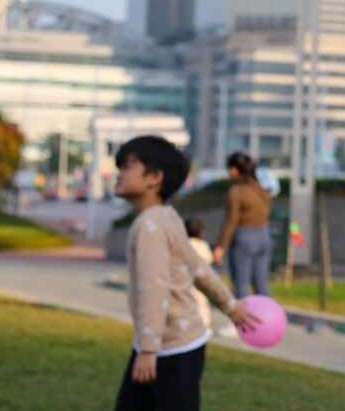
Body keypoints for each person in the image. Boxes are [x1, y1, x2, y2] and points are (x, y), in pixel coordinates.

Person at [113, 136, 259, 411]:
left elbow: (152, 287)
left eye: (126, 167)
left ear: (154, 178)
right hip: (177, 343)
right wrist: (229, 305)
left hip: (168, 350)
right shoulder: (167, 216)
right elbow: (198, 268)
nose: (118, 174)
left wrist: (147, 348)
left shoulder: (149, 226)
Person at [214, 151, 274, 298]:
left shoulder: (236, 191)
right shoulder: (262, 190)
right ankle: (269, 318)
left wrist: (221, 247)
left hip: (244, 239)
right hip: (264, 237)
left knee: (241, 287)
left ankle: (242, 321)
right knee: (261, 285)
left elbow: (232, 220)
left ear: (234, 170)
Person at [184, 217, 214, 333]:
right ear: (201, 232)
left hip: (186, 281)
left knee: (187, 304)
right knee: (202, 305)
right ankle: (205, 326)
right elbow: (209, 259)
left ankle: (188, 325)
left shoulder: (184, 244)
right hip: (200, 282)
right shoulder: (203, 245)